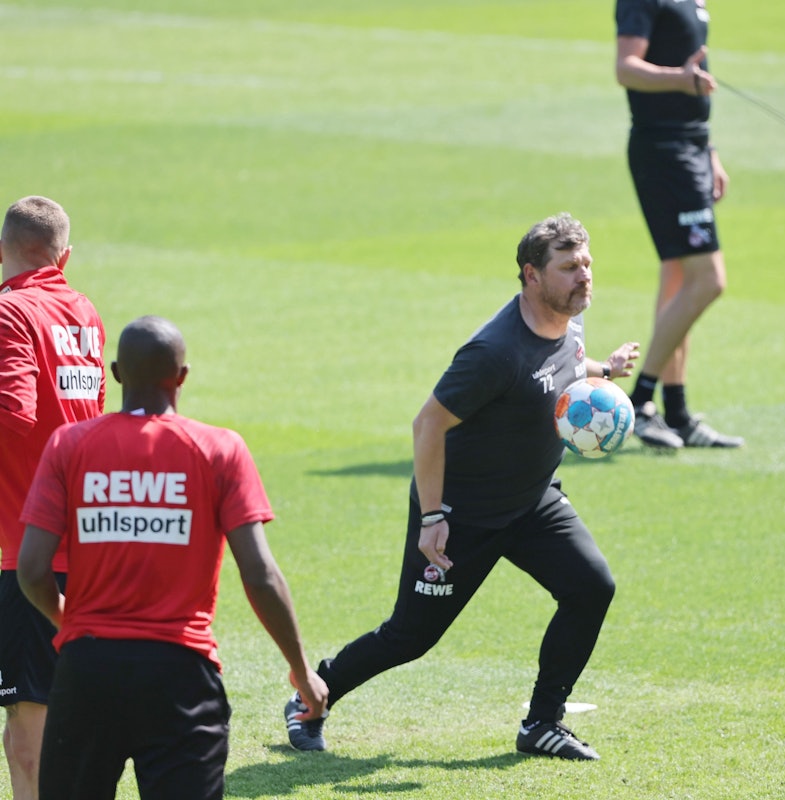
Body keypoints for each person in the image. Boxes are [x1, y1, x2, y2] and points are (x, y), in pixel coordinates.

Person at [284, 213, 639, 761]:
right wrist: (432, 517)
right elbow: (428, 425)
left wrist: (605, 370)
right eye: (569, 268)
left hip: (532, 500)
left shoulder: (567, 319)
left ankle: (542, 723)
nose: (584, 276)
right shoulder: (493, 352)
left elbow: (564, 364)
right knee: (410, 637)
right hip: (461, 514)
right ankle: (314, 694)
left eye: (587, 264)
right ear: (531, 275)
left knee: (592, 586)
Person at [17, 315, 328, 800]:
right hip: (180, 674)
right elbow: (261, 576)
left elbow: (32, 570)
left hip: (87, 670)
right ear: (181, 376)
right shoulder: (220, 450)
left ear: (116, 373)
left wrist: (69, 623)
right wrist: (302, 671)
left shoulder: (69, 445)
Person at [0, 196, 106, 800]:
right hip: (83, 539)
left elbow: (14, 414)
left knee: (28, 735)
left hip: (28, 551)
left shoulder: (11, 313)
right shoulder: (82, 311)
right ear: (64, 258)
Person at [615, 0, 744, 449]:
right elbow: (627, 68)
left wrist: (709, 150)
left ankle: (678, 413)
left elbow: (694, 74)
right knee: (708, 280)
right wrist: (680, 80)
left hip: (688, 148)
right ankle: (641, 402)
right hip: (663, 153)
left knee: (678, 281)